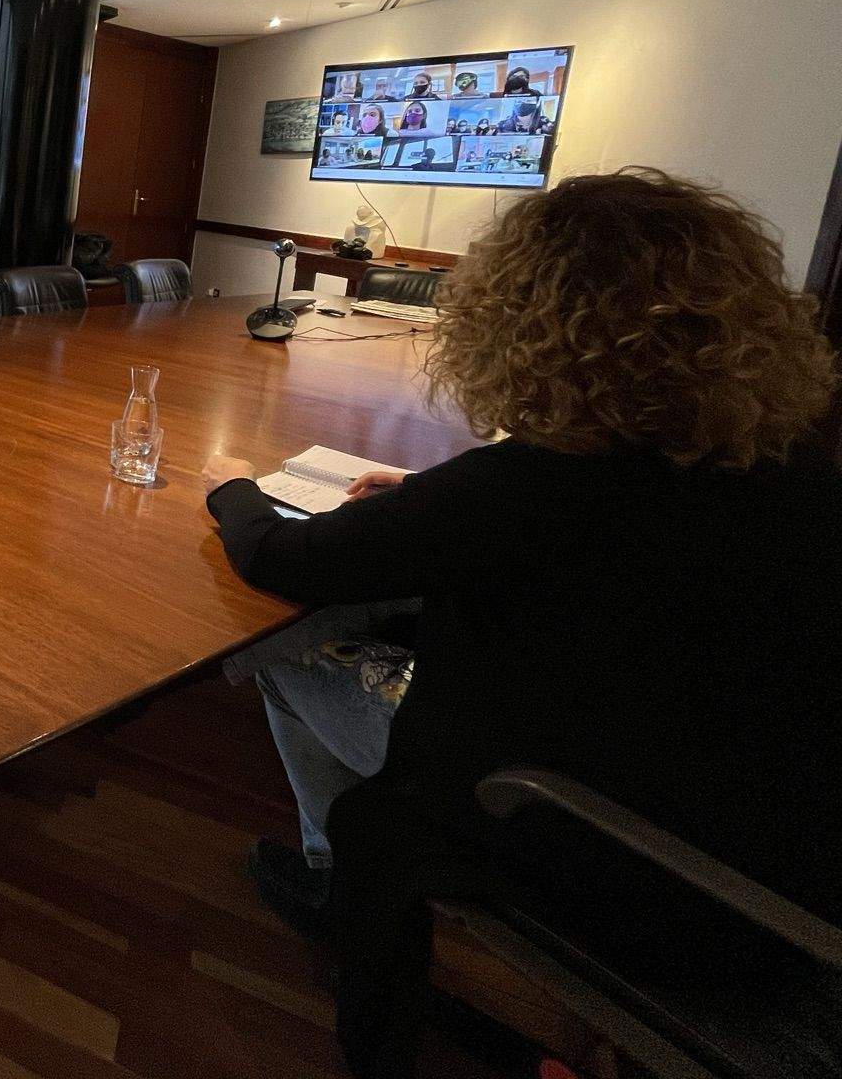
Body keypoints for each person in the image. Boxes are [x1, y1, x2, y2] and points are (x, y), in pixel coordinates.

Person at [197, 169, 841, 1078]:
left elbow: (283, 559)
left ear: (524, 331)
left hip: (610, 854)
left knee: (284, 649)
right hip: (779, 867)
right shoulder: (796, 473)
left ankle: (334, 880)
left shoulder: (526, 490)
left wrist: (232, 488)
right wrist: (429, 497)